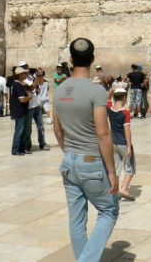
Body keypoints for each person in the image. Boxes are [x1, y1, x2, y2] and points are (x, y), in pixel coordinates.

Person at [53, 38, 119, 262]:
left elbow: (57, 130)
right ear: (92, 59)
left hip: (69, 161)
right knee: (109, 211)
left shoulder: (59, 90)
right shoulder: (97, 91)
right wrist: (111, 171)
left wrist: (69, 153)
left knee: (77, 221)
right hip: (91, 162)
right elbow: (103, 134)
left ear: (71, 60)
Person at [107, 87, 136, 201]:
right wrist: (129, 146)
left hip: (113, 143)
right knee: (130, 167)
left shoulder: (110, 109)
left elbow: (107, 100)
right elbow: (127, 129)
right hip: (123, 143)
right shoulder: (125, 112)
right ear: (124, 98)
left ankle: (116, 190)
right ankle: (124, 189)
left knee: (117, 168)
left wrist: (111, 91)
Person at [11, 67, 32, 155]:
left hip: (22, 111)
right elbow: (22, 100)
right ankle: (15, 150)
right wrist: (29, 97)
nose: (26, 75)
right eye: (24, 73)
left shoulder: (20, 84)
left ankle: (22, 149)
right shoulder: (17, 85)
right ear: (19, 75)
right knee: (19, 130)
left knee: (23, 130)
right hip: (19, 112)